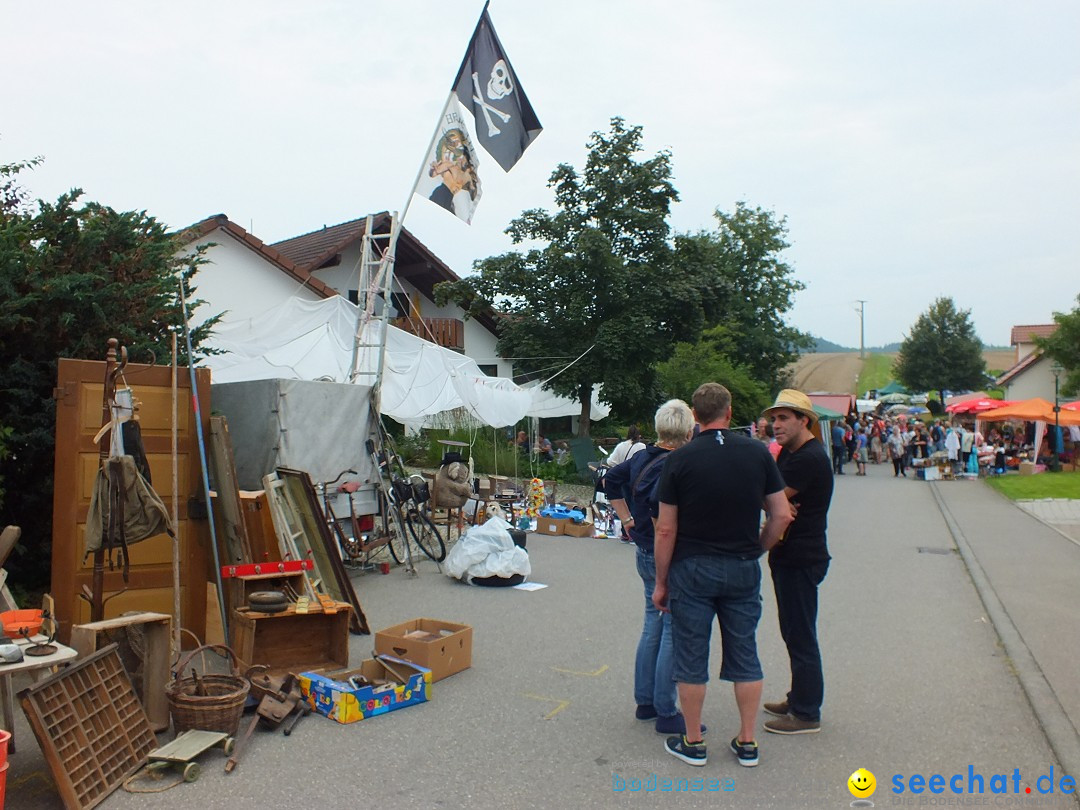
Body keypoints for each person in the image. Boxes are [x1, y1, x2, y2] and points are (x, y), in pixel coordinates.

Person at [653, 383, 792, 769]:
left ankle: (693, 741)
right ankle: (747, 741)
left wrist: (661, 582)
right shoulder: (758, 454)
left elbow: (665, 529)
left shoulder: (679, 461)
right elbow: (780, 514)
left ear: (694, 417)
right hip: (742, 565)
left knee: (691, 656)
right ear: (729, 413)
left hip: (692, 568)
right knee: (745, 653)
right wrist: (759, 548)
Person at [606, 400, 695, 736]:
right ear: (688, 431)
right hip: (666, 551)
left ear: (658, 428)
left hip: (641, 545)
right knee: (672, 624)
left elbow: (609, 481)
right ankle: (665, 707)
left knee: (650, 622)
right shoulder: (679, 463)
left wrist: (625, 517)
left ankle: (645, 701)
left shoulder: (639, 456)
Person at [761, 390, 835, 735]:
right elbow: (773, 497)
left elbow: (765, 496)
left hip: (801, 557)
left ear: (804, 420)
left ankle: (806, 713)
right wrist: (777, 506)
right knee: (792, 632)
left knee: (801, 635)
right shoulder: (792, 455)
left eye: (783, 418)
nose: (775, 425)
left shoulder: (808, 458)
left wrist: (774, 504)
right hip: (789, 555)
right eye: (773, 419)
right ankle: (799, 697)